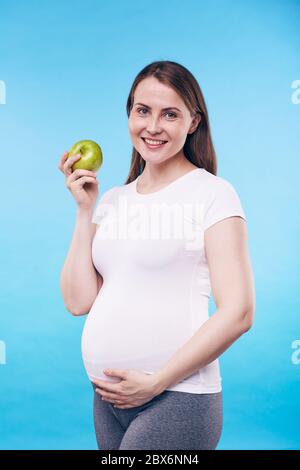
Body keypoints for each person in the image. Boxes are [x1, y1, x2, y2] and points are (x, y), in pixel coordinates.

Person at [59, 60, 255, 450]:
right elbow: (78, 301)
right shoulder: (113, 199)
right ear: (129, 114)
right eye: (142, 111)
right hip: (108, 400)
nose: (152, 127)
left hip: (176, 397)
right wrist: (85, 210)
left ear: (193, 122)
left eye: (170, 114)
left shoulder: (213, 194)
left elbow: (239, 312)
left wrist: (157, 381)